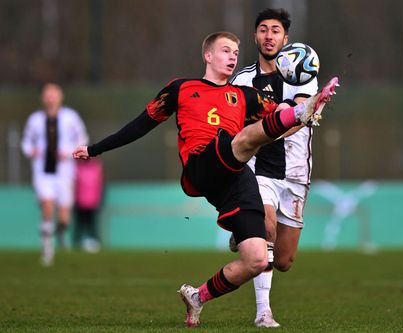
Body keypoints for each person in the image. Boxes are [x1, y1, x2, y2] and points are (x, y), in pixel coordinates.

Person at [72, 31, 337, 327]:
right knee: (243, 140)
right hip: (201, 164)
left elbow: (281, 120)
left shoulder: (244, 96)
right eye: (226, 50)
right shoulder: (181, 88)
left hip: (236, 178)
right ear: (208, 56)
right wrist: (96, 149)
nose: (233, 56)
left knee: (258, 260)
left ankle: (198, 297)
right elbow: (140, 124)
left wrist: (311, 105)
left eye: (236, 52)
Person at [229, 8, 318, 327]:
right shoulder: (241, 80)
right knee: (265, 228)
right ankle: (263, 312)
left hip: (294, 172)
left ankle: (244, 234)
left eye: (275, 30)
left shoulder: (303, 73)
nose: (269, 35)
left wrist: (283, 118)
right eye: (263, 29)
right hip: (257, 168)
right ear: (255, 36)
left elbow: (298, 118)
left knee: (283, 261)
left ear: (286, 38)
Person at [21, 83, 89, 266]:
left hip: (65, 171)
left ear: (60, 97)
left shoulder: (71, 117)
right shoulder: (35, 119)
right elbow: (26, 142)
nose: (50, 98)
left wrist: (68, 152)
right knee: (47, 205)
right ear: (43, 98)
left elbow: (82, 138)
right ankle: (47, 249)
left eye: (54, 94)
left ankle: (59, 231)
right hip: (43, 171)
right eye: (47, 95)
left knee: (64, 216)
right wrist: (31, 151)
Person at [73, 157, 104, 252]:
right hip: (80, 201)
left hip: (92, 202)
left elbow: (100, 184)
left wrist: (100, 199)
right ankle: (77, 243)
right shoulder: (78, 168)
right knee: (80, 225)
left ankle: (96, 243)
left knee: (93, 225)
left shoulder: (96, 167)